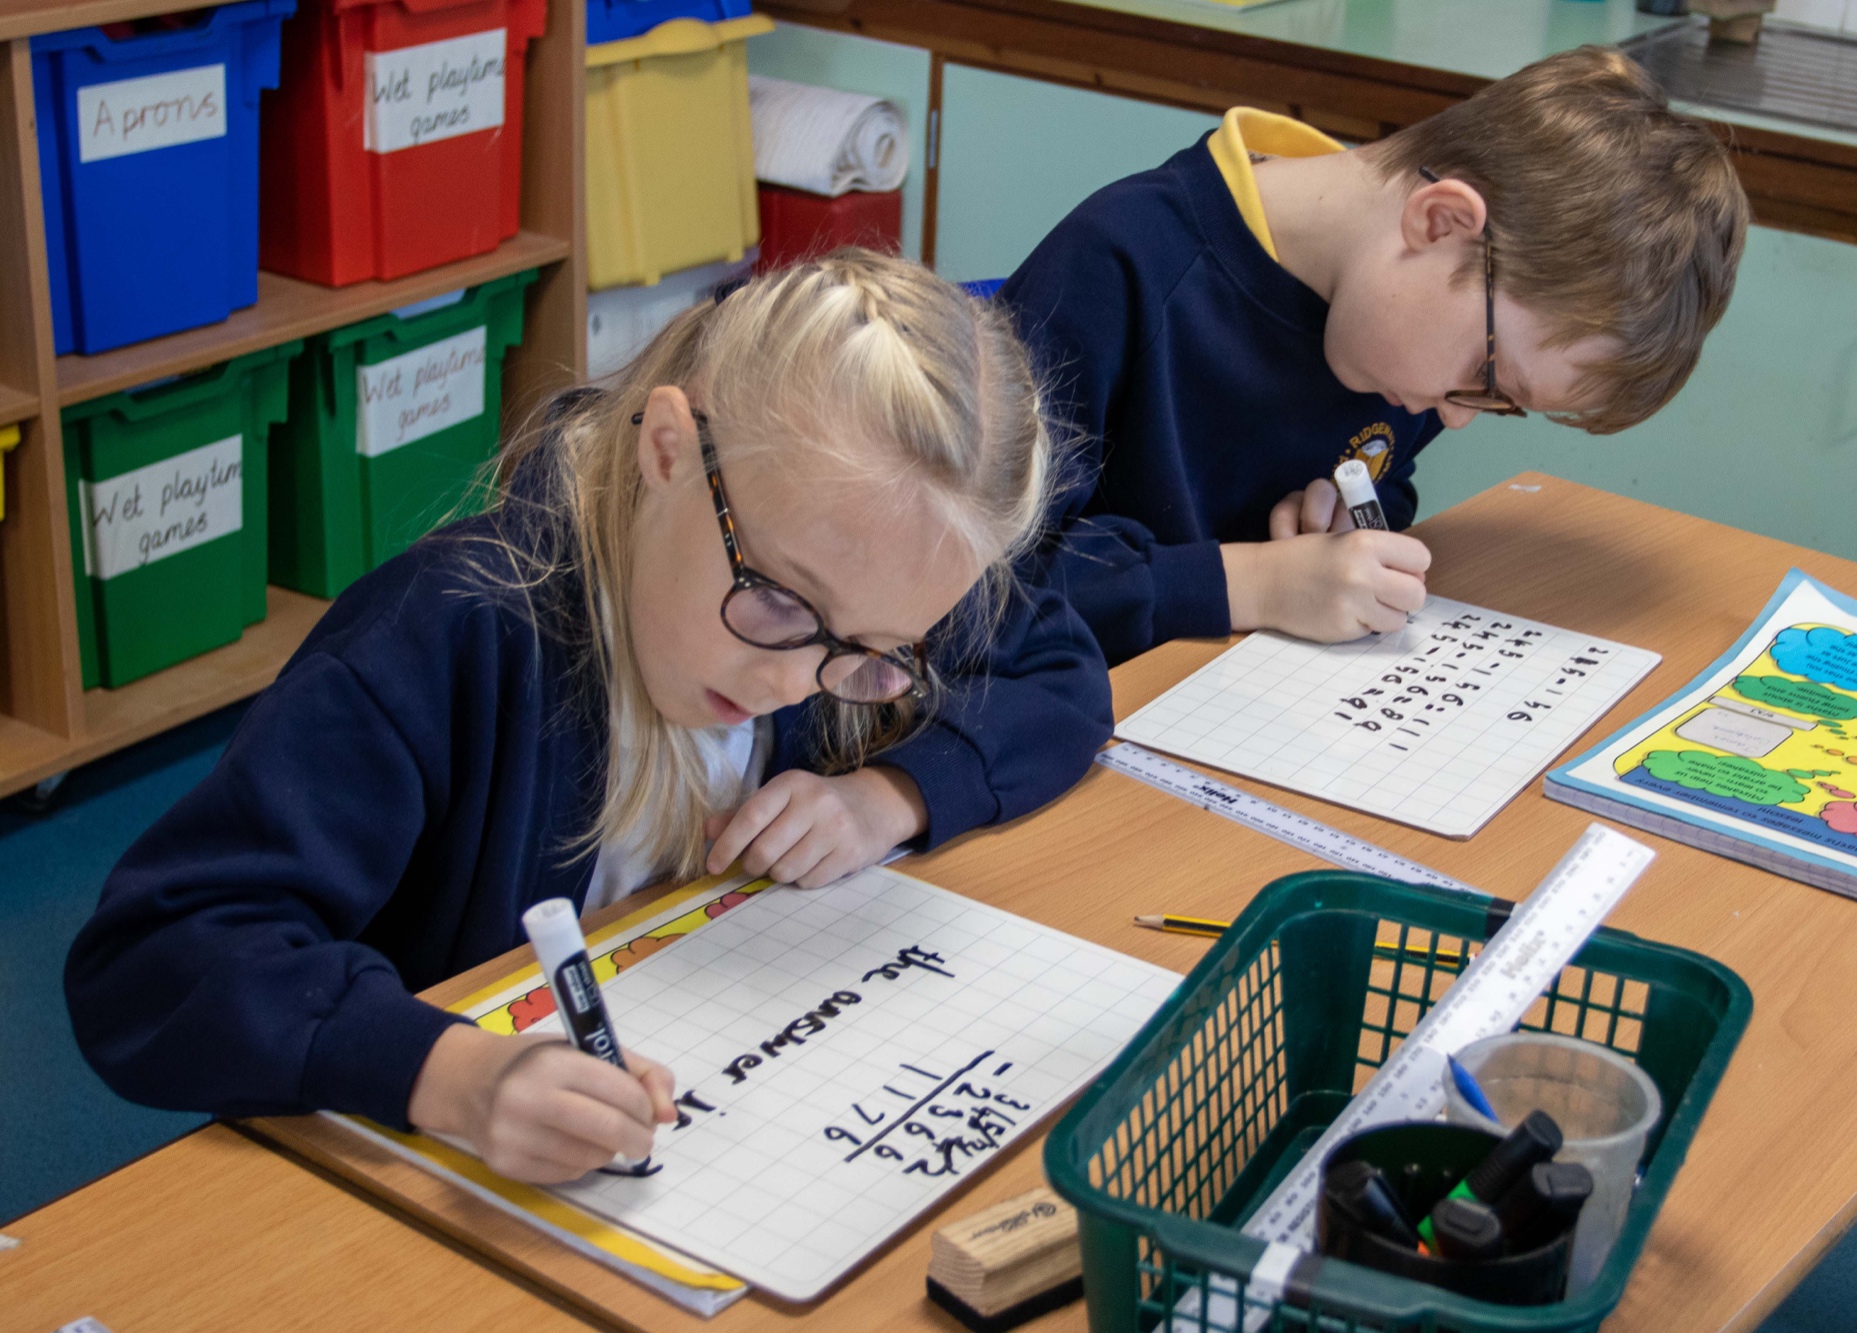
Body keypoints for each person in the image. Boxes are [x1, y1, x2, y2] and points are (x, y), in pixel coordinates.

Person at [66, 252, 1109, 1183]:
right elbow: (156, 955)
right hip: (422, 1192)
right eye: (781, 601)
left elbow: (1058, 670)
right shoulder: (447, 636)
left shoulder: (876, 569)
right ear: (667, 448)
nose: (796, 682)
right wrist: (449, 1070)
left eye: (874, 653)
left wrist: (887, 795)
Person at [1001, 46, 1749, 666]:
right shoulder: (1121, 263)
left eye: (1502, 405)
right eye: (1487, 378)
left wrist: (1354, 527)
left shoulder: (1400, 350)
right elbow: (970, 585)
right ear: (1441, 220)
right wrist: (1251, 583)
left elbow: (1385, 475)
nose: (1458, 418)